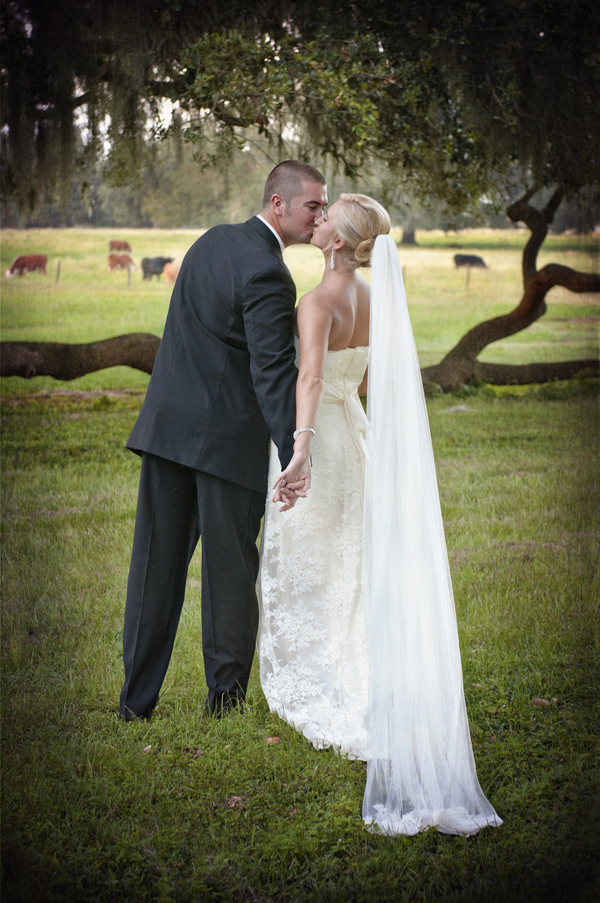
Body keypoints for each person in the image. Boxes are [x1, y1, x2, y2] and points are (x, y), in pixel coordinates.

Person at [258, 194, 502, 836]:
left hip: (323, 439)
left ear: (339, 240)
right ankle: (369, 675)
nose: (318, 219)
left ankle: (330, 681)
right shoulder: (372, 298)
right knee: (354, 562)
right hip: (356, 430)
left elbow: (310, 381)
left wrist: (299, 453)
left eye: (327, 214)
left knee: (316, 557)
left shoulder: (315, 302)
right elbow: (361, 380)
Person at [119, 160, 326, 721]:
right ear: (278, 204)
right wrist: (296, 452)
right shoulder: (268, 271)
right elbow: (273, 370)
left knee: (154, 570)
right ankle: (226, 703)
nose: (320, 216)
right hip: (224, 442)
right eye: (313, 205)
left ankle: (135, 704)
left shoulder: (210, 241)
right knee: (229, 573)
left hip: (167, 429)